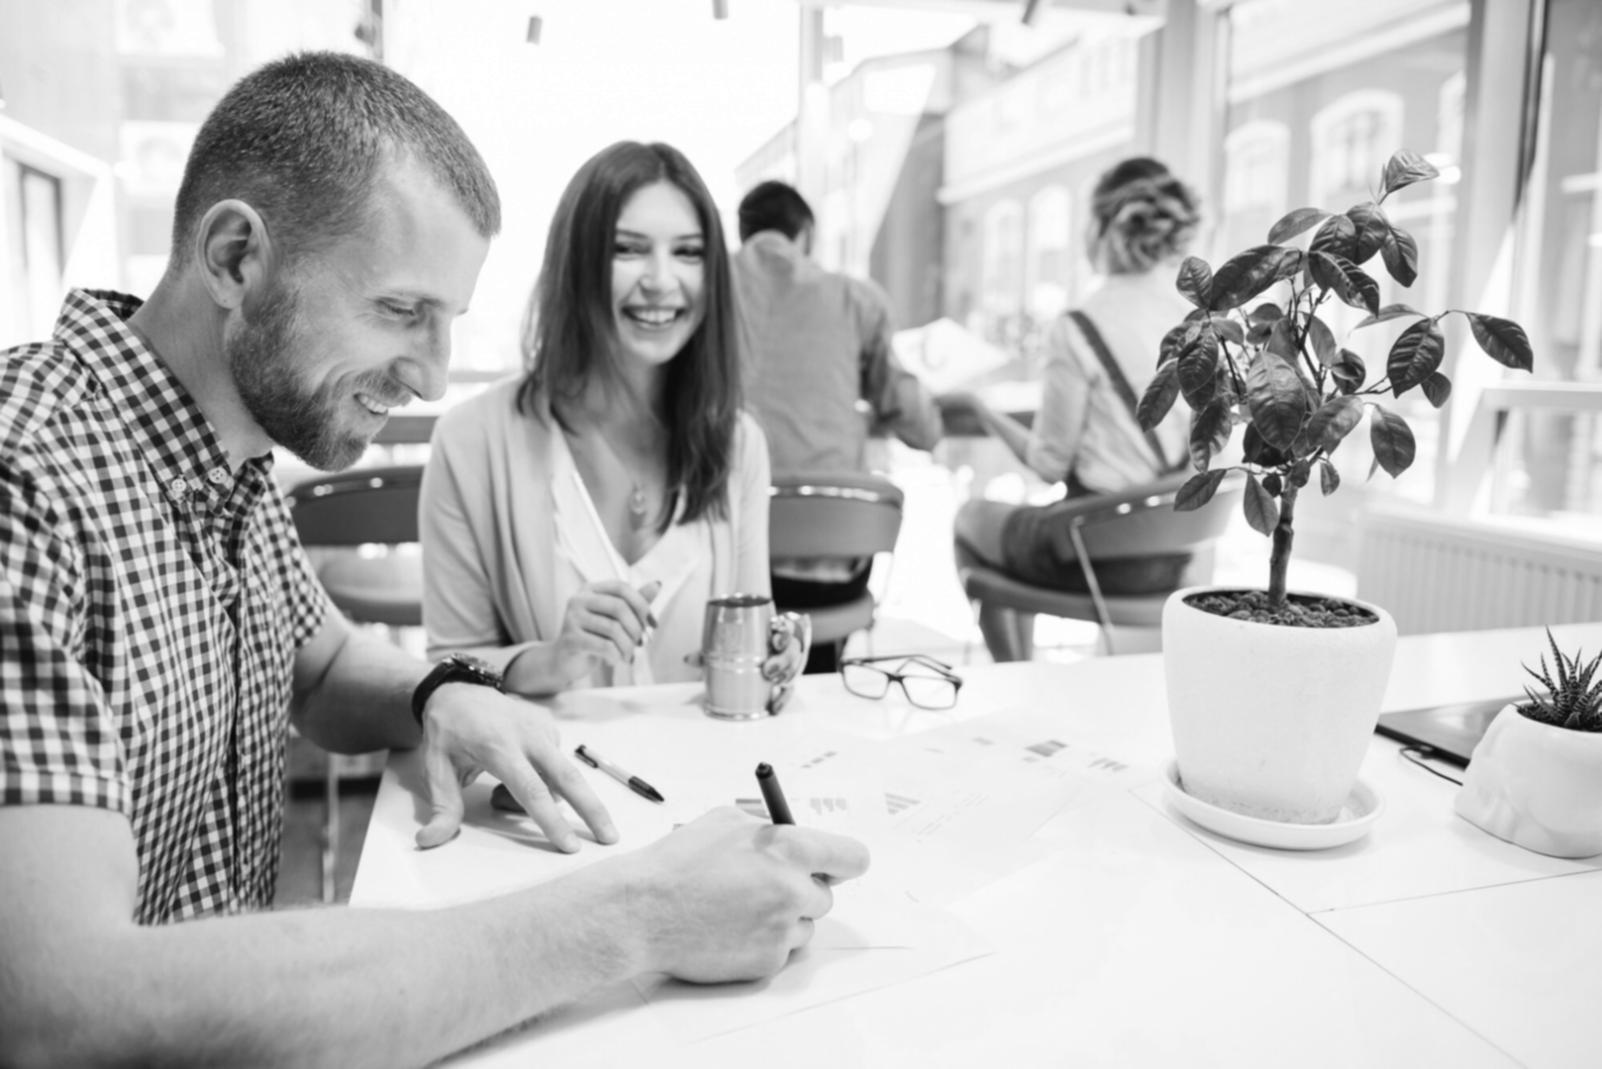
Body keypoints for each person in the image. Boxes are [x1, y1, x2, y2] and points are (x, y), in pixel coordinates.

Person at [0, 55, 867, 1067]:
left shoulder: (222, 459)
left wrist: (439, 694)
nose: (432, 376)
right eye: (402, 312)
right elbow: (56, 1008)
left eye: (449, 323)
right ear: (237, 257)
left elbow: (320, 670)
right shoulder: (27, 480)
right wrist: (638, 913)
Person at [420, 141, 800, 698]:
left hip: (709, 777)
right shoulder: (471, 441)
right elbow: (447, 674)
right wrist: (552, 661)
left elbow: (754, 634)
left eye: (689, 253)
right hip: (552, 779)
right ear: (577, 265)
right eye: (628, 249)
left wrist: (775, 656)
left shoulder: (739, 444)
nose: (661, 280)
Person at [938, 157, 1202, 661]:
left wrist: (982, 410)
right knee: (1011, 532)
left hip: (1091, 555)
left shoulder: (1080, 326)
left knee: (971, 520)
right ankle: (1029, 681)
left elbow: (1048, 464)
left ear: (1103, 227)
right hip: (1172, 557)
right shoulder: (1201, 319)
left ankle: (1017, 674)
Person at [732, 180, 942, 671]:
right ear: (805, 234)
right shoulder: (855, 299)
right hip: (829, 568)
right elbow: (921, 427)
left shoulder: (706, 289)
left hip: (723, 567)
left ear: (743, 234)